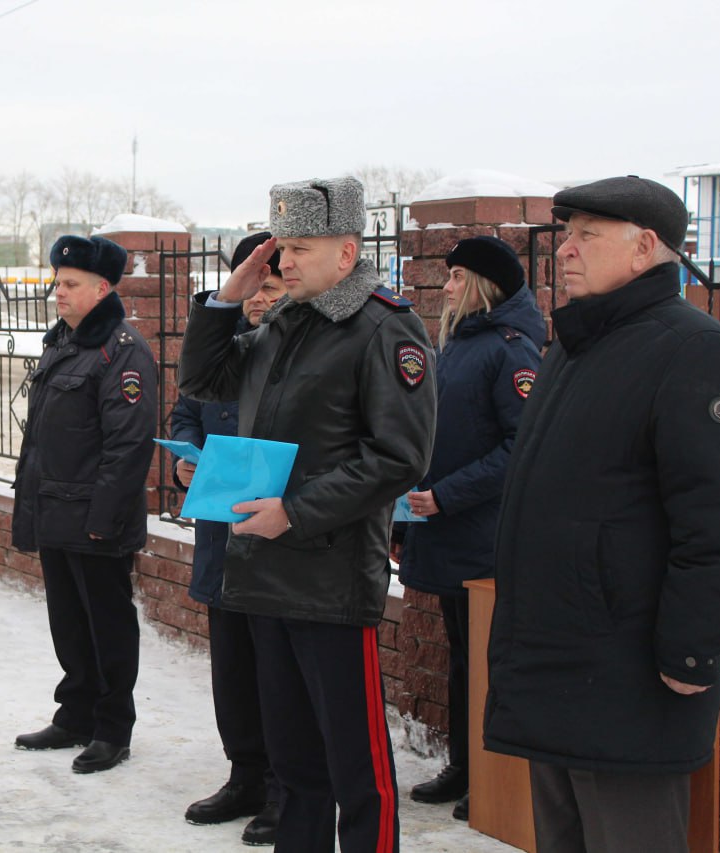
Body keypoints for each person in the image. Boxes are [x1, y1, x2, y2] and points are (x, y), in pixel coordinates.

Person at [178, 177, 436, 852]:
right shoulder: (283, 326)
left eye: (297, 247)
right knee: (293, 767)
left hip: (329, 582)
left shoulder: (384, 328)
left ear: (346, 252)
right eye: (278, 246)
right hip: (264, 577)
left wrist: (294, 512)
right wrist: (227, 299)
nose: (282, 260)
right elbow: (204, 382)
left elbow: (398, 458)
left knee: (357, 770)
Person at [484, 176, 720, 853]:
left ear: (644, 246)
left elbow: (714, 520)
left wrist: (690, 649)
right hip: (557, 662)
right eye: (567, 234)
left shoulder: (694, 348)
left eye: (587, 234)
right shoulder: (575, 344)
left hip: (629, 676)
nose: (565, 249)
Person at [394, 236, 543, 823]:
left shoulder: (512, 350)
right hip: (444, 525)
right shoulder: (458, 344)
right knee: (461, 658)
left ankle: (492, 774)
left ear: (483, 286)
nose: (447, 287)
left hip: (484, 532)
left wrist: (447, 497)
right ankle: (462, 765)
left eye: (457, 277)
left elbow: (520, 446)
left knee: (489, 661)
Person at [11, 234, 158, 774]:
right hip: (55, 513)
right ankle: (75, 714)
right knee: (69, 624)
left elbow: (127, 447)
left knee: (107, 627)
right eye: (57, 282)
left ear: (102, 288)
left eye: (70, 284)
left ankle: (113, 727)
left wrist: (103, 520)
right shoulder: (63, 343)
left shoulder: (122, 351)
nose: (58, 292)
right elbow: (42, 441)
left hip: (96, 521)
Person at [171, 231, 285, 845]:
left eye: (271, 285)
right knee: (233, 672)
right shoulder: (226, 350)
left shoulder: (292, 356)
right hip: (221, 537)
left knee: (275, 673)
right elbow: (187, 408)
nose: (261, 298)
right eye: (254, 286)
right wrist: (182, 463)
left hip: (276, 542)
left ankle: (281, 789)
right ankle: (244, 774)